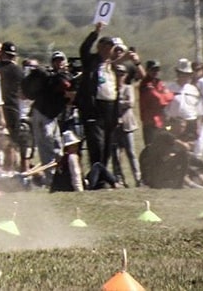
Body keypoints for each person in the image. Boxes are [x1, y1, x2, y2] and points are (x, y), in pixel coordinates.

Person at [75, 23, 118, 170]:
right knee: (96, 143)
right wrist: (96, 32)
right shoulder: (91, 62)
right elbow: (83, 48)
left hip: (110, 108)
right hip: (95, 107)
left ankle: (103, 173)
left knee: (108, 143)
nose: (108, 49)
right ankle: (96, 174)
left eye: (110, 47)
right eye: (105, 46)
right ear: (99, 47)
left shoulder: (114, 66)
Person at [28, 49, 74, 183]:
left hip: (52, 117)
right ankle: (50, 179)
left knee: (58, 147)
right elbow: (64, 86)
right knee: (46, 147)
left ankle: (58, 176)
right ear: (53, 63)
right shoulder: (51, 77)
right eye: (56, 61)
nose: (59, 63)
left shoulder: (63, 75)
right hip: (41, 114)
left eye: (61, 60)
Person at [0, 42, 31, 173]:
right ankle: (9, 172)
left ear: (1, 54)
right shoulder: (18, 71)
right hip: (13, 109)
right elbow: (24, 94)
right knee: (11, 143)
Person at [112, 64, 142, 187]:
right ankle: (119, 179)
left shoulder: (128, 88)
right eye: (117, 74)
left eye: (122, 74)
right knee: (116, 154)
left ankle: (138, 178)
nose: (120, 76)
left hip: (127, 124)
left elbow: (130, 103)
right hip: (114, 125)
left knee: (131, 153)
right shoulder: (111, 88)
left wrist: (116, 102)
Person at [138, 60, 174, 148]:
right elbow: (157, 99)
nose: (155, 72)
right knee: (151, 148)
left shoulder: (159, 82)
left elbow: (170, 96)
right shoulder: (145, 84)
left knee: (164, 146)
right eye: (153, 70)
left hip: (161, 121)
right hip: (150, 122)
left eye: (157, 70)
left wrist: (164, 96)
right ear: (147, 70)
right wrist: (163, 95)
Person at [166, 58, 201, 144]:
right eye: (182, 74)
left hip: (190, 122)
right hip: (174, 122)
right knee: (173, 146)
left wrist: (198, 126)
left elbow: (198, 110)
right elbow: (165, 107)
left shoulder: (193, 90)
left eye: (187, 74)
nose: (185, 77)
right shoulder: (169, 88)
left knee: (189, 147)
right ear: (177, 74)